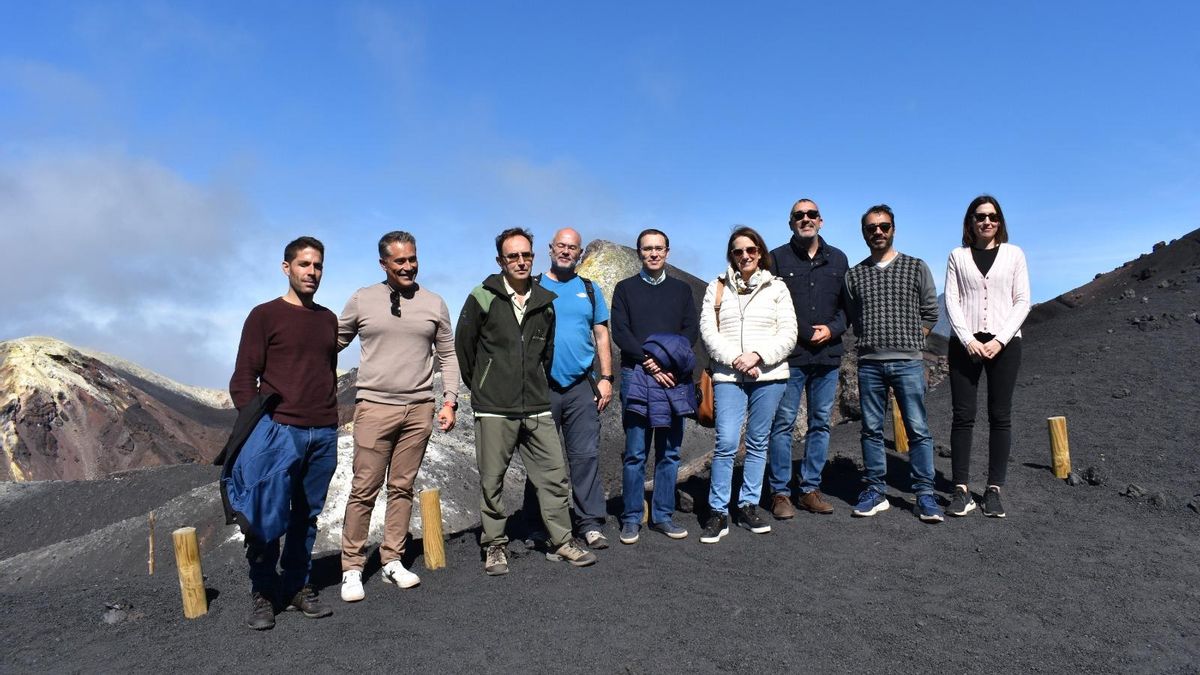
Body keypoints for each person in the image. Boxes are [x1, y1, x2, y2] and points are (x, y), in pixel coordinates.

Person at [455, 228, 598, 575]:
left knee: (553, 476)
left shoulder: (544, 302)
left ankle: (562, 541)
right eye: (513, 256)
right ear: (500, 261)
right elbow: (465, 347)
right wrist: (485, 386)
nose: (520, 261)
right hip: (494, 407)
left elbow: (545, 353)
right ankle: (494, 546)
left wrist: (533, 383)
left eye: (526, 255)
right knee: (493, 480)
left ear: (533, 256)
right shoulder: (483, 297)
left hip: (535, 405)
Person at [336, 231, 461, 602]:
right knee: (363, 490)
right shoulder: (362, 299)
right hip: (374, 407)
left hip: (419, 408)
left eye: (412, 259)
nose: (408, 266)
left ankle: (392, 559)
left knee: (402, 487)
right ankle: (352, 568)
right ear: (384, 264)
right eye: (399, 261)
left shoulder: (434, 303)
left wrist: (449, 400)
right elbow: (332, 342)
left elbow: (448, 355)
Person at [228, 236, 339, 630]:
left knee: (306, 516)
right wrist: (261, 429)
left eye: (318, 266)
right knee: (266, 516)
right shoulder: (264, 316)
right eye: (305, 265)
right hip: (280, 433)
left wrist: (330, 420)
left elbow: (325, 371)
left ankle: (296, 586)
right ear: (286, 267)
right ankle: (263, 591)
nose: (312, 272)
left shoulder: (327, 319)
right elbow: (243, 379)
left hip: (323, 432)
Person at [844, 205, 944, 523]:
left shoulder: (916, 267)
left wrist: (913, 340)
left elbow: (931, 311)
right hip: (870, 363)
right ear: (864, 232)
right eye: (871, 227)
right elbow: (853, 317)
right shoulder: (854, 275)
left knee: (917, 428)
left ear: (893, 229)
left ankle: (925, 494)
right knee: (871, 429)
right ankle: (875, 490)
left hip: (909, 363)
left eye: (884, 226)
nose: (878, 232)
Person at [698, 226, 797, 543]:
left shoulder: (777, 288)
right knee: (725, 443)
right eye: (738, 251)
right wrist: (737, 359)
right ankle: (718, 511)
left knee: (757, 443)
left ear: (760, 252)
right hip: (728, 376)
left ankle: (748, 505)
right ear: (731, 255)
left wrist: (757, 356)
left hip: (768, 376)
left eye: (751, 250)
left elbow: (788, 334)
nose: (745, 256)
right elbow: (708, 333)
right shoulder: (716, 288)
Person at [520, 228, 615, 549]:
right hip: (539, 387)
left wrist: (606, 378)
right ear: (550, 249)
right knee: (540, 458)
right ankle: (536, 525)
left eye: (572, 247)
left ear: (579, 253)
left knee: (585, 456)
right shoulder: (531, 286)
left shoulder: (589, 289)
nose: (566, 251)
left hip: (580, 386)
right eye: (561, 246)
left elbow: (601, 333)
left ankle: (590, 523)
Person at [943, 196, 1030, 518]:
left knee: (1000, 415)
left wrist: (1000, 340)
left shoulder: (1014, 254)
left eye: (992, 216)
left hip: (1005, 345)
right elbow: (951, 300)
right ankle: (960, 489)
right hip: (964, 346)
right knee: (963, 415)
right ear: (971, 222)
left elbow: (1022, 301)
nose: (987, 222)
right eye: (980, 217)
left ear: (1000, 221)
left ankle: (994, 489)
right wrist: (968, 339)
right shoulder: (957, 256)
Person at [610, 228, 699, 543]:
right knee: (635, 451)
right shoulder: (624, 289)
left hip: (673, 377)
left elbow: (690, 330)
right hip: (637, 374)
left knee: (670, 451)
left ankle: (662, 516)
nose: (653, 253)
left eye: (659, 248)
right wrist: (650, 362)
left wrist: (666, 363)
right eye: (647, 249)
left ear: (667, 252)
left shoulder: (682, 290)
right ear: (639, 253)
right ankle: (632, 517)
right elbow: (620, 331)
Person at [766, 199, 849, 518]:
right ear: (791, 223)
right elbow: (771, 305)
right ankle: (780, 493)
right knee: (783, 423)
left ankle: (810, 489)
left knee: (820, 424)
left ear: (821, 221)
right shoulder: (776, 258)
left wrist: (831, 329)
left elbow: (848, 308)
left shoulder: (839, 259)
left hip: (827, 355)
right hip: (791, 356)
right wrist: (803, 331)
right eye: (799, 216)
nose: (806, 219)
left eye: (811, 215)